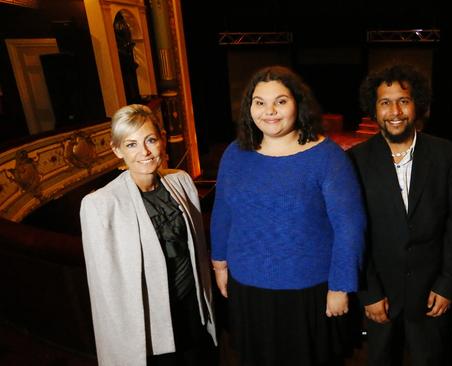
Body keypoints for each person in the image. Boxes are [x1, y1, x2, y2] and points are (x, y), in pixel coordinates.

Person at [210, 65, 366, 366]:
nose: (269, 111)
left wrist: (341, 285)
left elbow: (349, 226)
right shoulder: (235, 153)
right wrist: (219, 264)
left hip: (308, 291)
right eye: (260, 102)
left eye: (280, 101)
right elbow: (223, 211)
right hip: (248, 287)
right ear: (249, 108)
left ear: (298, 103)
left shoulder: (327, 156)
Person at [348, 63, 452, 365]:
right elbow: (353, 232)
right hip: (380, 295)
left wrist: (447, 283)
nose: (395, 111)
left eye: (403, 100)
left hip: (431, 293)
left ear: (417, 105)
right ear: (373, 109)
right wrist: (369, 292)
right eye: (385, 102)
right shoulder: (355, 161)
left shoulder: (447, 155)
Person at [80, 104, 217, 366]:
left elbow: (197, 248)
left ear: (162, 140)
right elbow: (104, 288)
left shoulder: (181, 181)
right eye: (131, 144)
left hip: (191, 305)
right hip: (150, 318)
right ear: (117, 149)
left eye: (150, 140)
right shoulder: (99, 205)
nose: (144, 152)